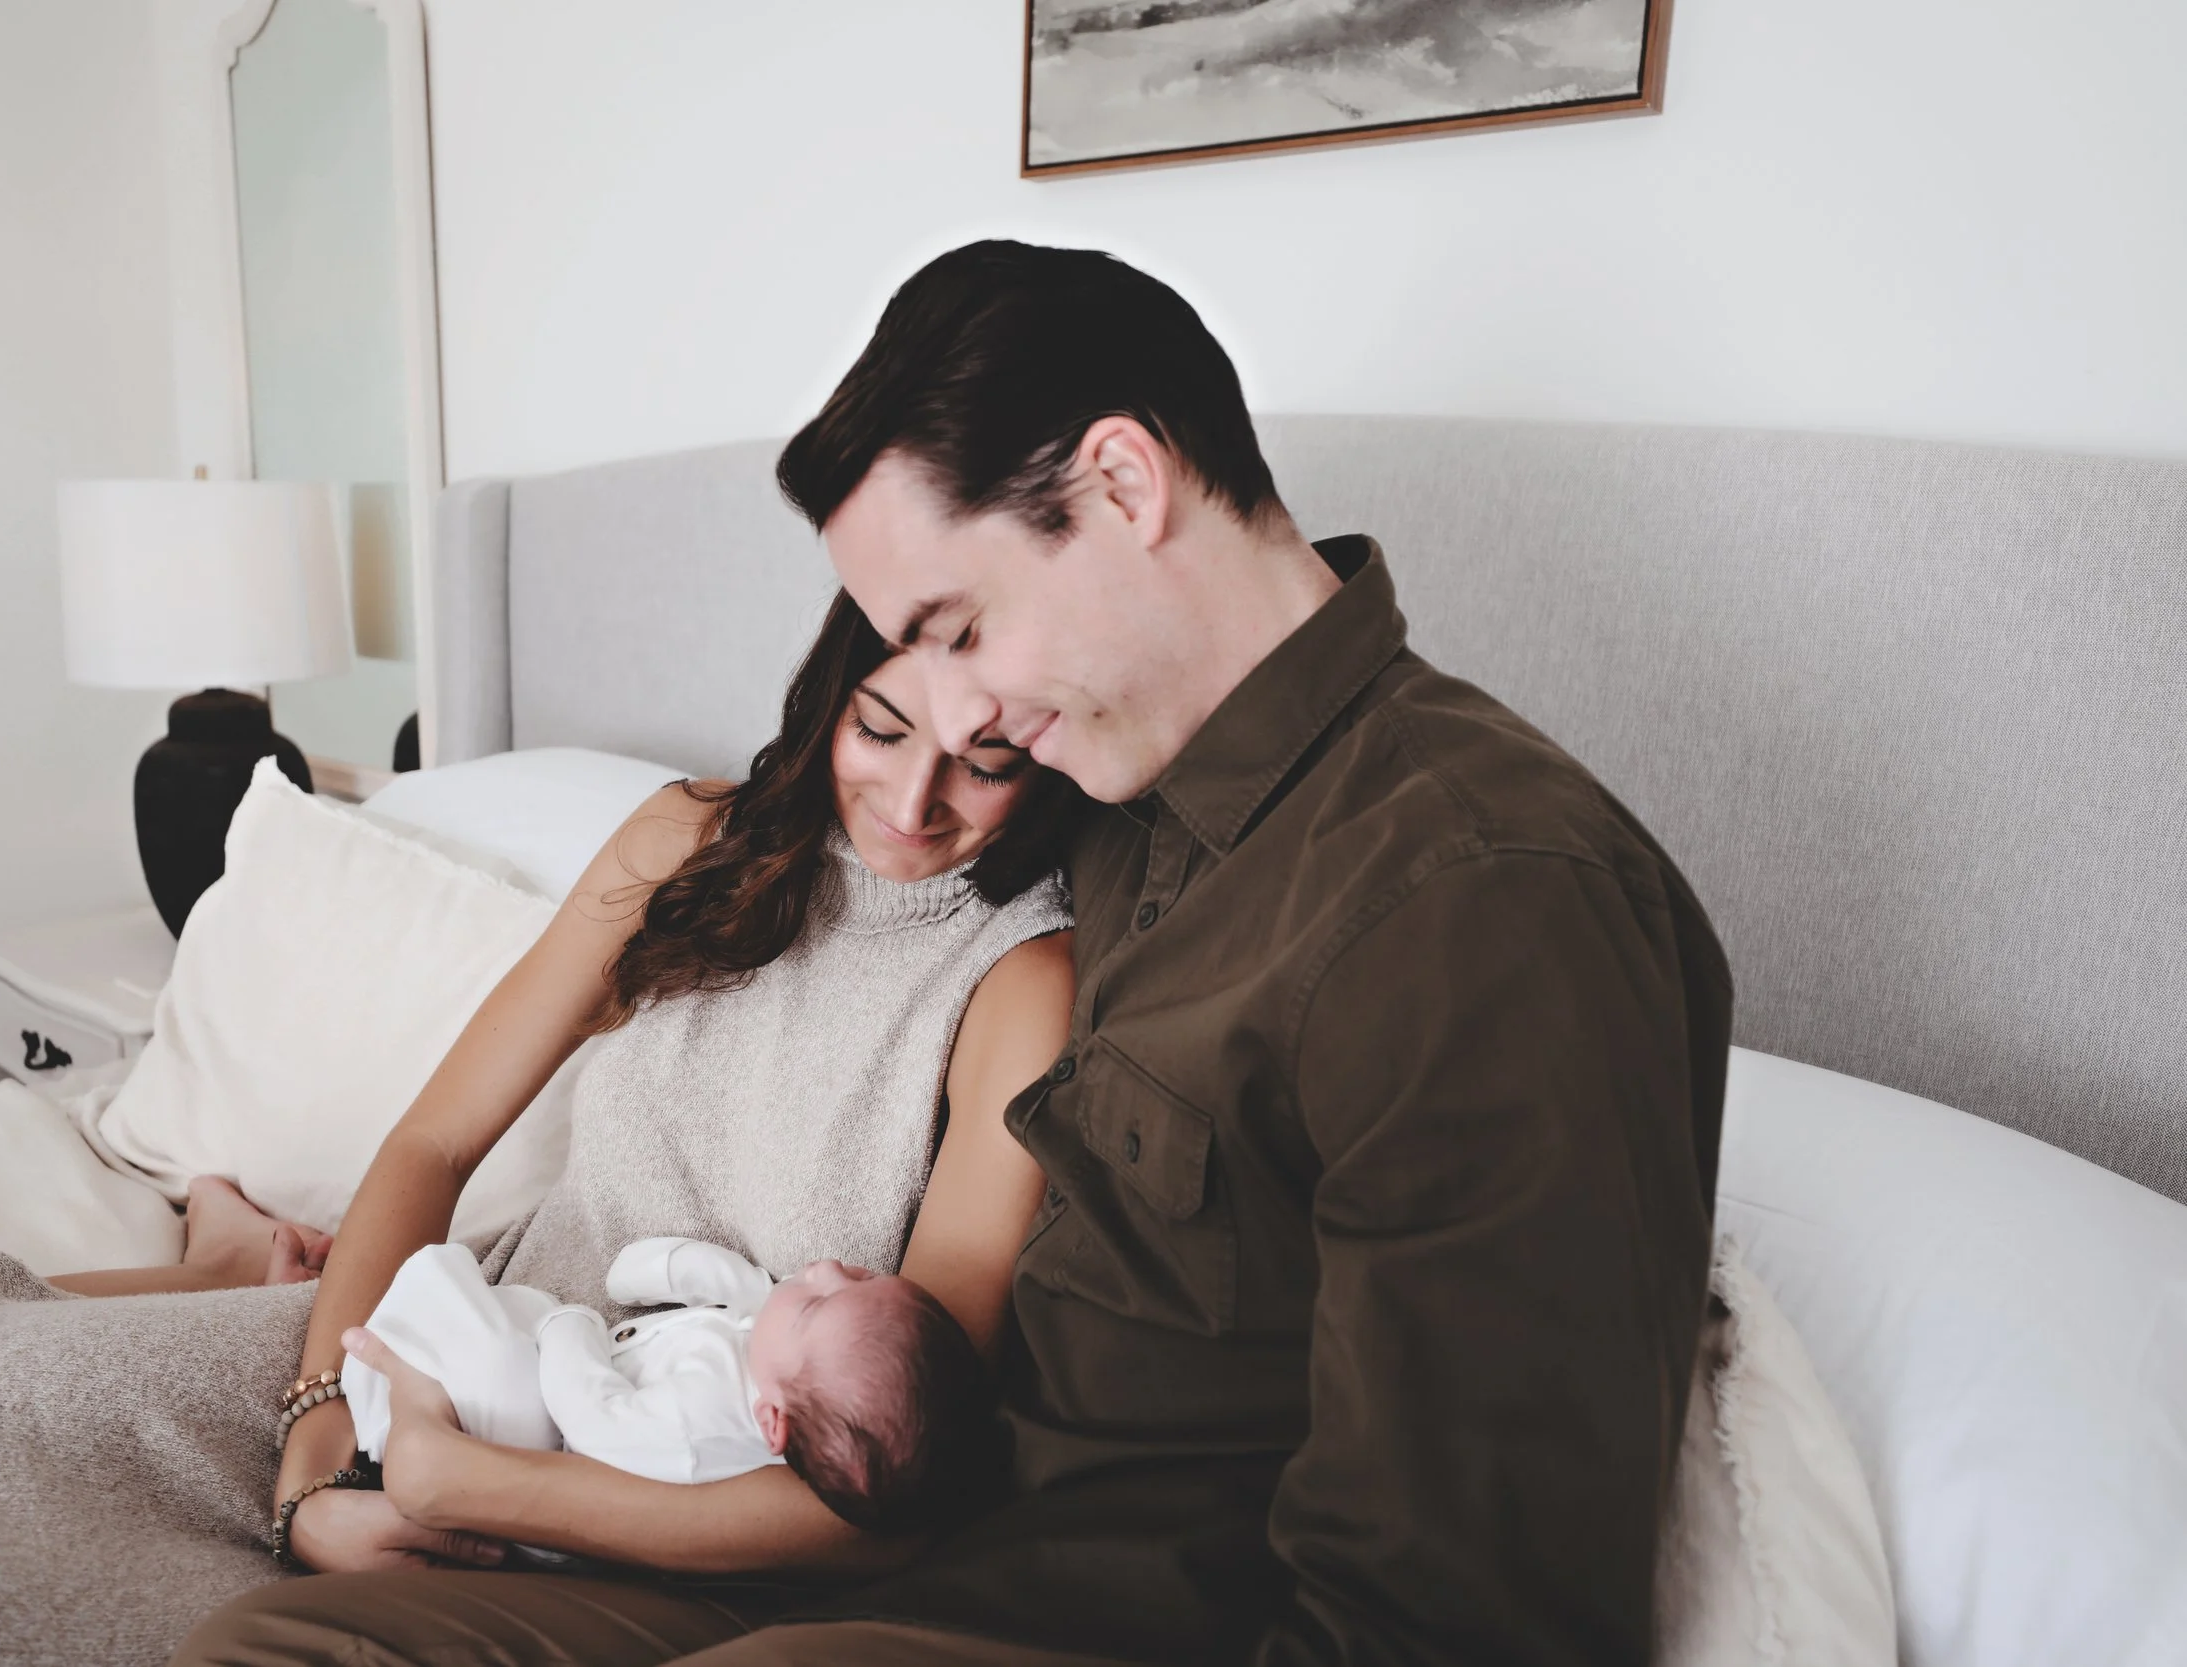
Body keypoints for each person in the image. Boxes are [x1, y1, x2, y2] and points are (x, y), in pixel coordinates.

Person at [180, 240, 1732, 1666]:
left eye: (962, 626)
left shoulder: (1485, 898)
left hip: (1018, 1608)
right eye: (899, 667)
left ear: (1122, 482)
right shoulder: (1119, 799)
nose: (962, 726)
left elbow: (1461, 1618)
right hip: (844, 1548)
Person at [0, 589, 1077, 1667]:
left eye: (988, 758)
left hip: (628, 1498)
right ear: (830, 692)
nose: (912, 803)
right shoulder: (686, 841)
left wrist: (463, 1484)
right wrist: (310, 1457)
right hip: (438, 1327)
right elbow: (430, 1151)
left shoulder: (1020, 982)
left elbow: (900, 1479)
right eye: (883, 727)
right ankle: (245, 1275)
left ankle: (238, 1270)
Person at [341, 1239, 1004, 1535]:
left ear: (773, 1422)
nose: (827, 1267)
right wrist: (663, 1266)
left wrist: (572, 1327)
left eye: (815, 1302)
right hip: (556, 1403)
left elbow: (596, 1415)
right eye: (861, 1278)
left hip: (543, 1442)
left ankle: (382, 1382)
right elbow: (748, 1296)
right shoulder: (781, 1366)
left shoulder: (704, 1427)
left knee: (495, 1361)